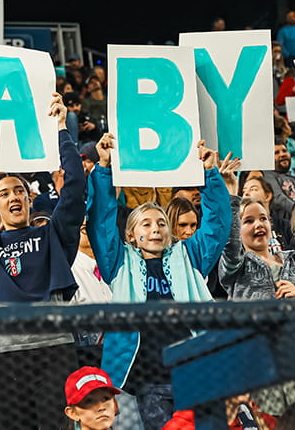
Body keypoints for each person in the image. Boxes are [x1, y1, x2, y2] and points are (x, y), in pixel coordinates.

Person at [0, 94, 86, 430]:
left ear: (30, 198)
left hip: (55, 350)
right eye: (4, 193)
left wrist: (61, 128)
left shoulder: (54, 236)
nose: (13, 196)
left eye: (19, 190)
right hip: (3, 356)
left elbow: (76, 186)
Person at [87, 134, 230, 430]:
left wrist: (210, 174)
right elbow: (101, 222)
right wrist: (103, 168)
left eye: (162, 223)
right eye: (147, 224)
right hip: (149, 380)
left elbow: (217, 224)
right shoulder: (118, 262)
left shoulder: (189, 254)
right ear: (130, 235)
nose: (156, 229)